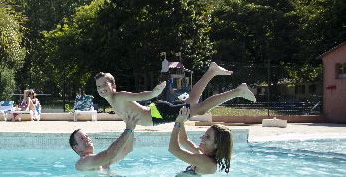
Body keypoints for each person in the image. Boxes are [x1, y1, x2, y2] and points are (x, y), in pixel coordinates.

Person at [95, 62, 256, 126]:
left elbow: (141, 96)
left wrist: (154, 92)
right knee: (193, 100)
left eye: (104, 84)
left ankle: (238, 91)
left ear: (113, 85)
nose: (101, 87)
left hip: (157, 114)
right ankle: (212, 71)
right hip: (156, 112)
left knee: (200, 109)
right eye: (98, 86)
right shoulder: (112, 101)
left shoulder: (119, 96)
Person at [168, 106, 232, 177]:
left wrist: (178, 123)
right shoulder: (202, 154)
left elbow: (173, 149)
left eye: (207, 137)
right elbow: (183, 140)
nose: (202, 138)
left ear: (216, 145)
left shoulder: (207, 163)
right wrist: (181, 117)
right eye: (204, 135)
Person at [70, 113, 140, 171]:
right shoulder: (82, 163)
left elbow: (128, 149)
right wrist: (128, 129)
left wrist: (131, 126)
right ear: (76, 147)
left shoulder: (103, 161)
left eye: (87, 136)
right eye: (81, 138)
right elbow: (109, 154)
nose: (86, 139)